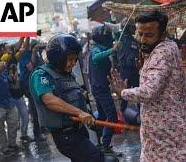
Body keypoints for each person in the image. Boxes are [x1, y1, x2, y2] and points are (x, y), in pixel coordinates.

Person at [109, 10, 186, 161]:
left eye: (149, 35)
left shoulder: (162, 52)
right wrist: (143, 68)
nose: (142, 40)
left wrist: (123, 92)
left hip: (168, 133)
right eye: (139, 34)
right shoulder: (165, 47)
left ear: (163, 34)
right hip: (160, 133)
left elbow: (150, 91)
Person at [29, 34, 103, 161]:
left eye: (75, 59)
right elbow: (50, 100)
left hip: (79, 131)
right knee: (95, 158)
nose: (73, 63)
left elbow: (78, 99)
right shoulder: (41, 75)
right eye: (70, 59)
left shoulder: (67, 74)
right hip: (65, 135)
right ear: (58, 58)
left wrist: (89, 116)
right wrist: (79, 112)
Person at [89, 25, 120, 155]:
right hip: (100, 88)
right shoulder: (96, 50)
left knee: (102, 115)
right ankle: (105, 145)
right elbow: (96, 57)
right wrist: (112, 50)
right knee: (112, 116)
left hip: (101, 87)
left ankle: (98, 142)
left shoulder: (102, 48)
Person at [105, 19, 140, 112]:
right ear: (128, 28)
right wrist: (115, 68)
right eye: (132, 27)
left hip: (134, 70)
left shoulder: (135, 41)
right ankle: (124, 115)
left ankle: (138, 113)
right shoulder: (120, 41)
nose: (134, 28)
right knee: (124, 94)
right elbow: (115, 57)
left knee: (138, 95)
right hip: (126, 71)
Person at [19, 39, 45, 142]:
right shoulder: (25, 54)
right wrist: (33, 53)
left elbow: (42, 65)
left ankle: (41, 129)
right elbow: (30, 67)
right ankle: (37, 134)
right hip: (28, 85)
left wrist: (39, 52)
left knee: (39, 108)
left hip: (36, 84)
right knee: (35, 109)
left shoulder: (36, 54)